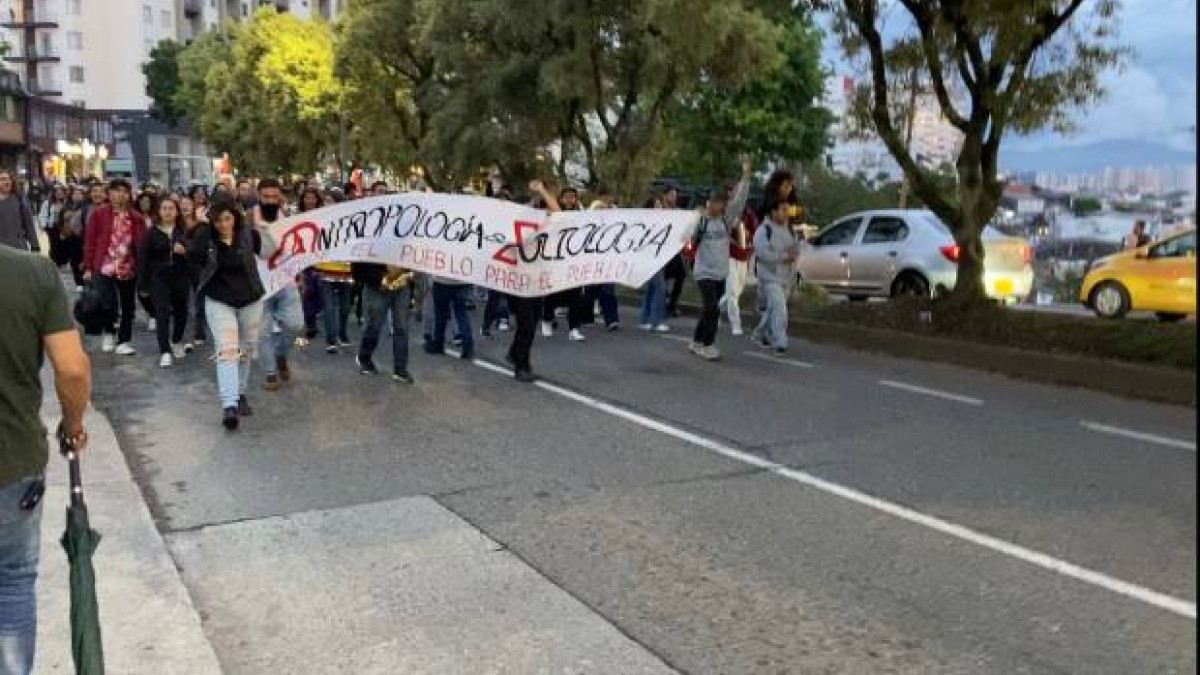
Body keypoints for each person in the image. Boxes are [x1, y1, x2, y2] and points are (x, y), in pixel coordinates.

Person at [0, 241, 92, 675]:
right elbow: (72, 369)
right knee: (12, 585)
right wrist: (73, 425)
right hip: (11, 460)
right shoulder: (33, 273)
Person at [186, 200, 265, 430]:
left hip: (251, 299)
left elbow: (272, 252)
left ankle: (240, 393)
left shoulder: (249, 235)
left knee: (247, 348)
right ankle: (229, 405)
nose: (223, 225)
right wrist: (201, 226)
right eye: (218, 220)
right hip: (219, 301)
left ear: (235, 218)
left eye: (228, 219)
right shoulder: (206, 238)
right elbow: (194, 255)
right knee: (228, 350)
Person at [686, 156, 752, 361]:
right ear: (709, 202)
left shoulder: (725, 220)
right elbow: (685, 237)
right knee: (712, 309)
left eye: (722, 203)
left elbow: (739, 200)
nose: (720, 206)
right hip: (703, 272)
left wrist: (746, 175)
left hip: (719, 273)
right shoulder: (700, 221)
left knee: (708, 310)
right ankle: (708, 344)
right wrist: (695, 218)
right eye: (716, 202)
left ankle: (696, 341)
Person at [251, 179, 305, 391]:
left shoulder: (288, 218)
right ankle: (270, 372)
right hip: (258, 287)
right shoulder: (247, 218)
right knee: (262, 333)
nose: (271, 201)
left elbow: (298, 249)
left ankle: (281, 354)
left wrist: (300, 275)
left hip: (285, 281)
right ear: (259, 196)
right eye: (267, 197)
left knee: (296, 325)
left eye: (275, 197)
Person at [83, 179, 148, 356]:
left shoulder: (136, 218)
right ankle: (109, 332)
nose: (120, 195)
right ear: (109, 194)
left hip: (128, 266)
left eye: (124, 191)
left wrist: (143, 267)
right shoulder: (99, 214)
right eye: (116, 191)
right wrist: (88, 266)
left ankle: (124, 340)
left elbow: (141, 245)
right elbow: (89, 241)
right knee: (107, 303)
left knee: (128, 306)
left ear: (129, 195)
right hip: (104, 266)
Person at [504, 180, 560, 383]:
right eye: (526, 207)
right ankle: (522, 366)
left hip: (536, 281)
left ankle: (514, 353)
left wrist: (542, 190)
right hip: (518, 282)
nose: (530, 210)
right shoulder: (507, 225)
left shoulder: (538, 223)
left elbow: (557, 212)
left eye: (531, 207)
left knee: (532, 321)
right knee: (526, 325)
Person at [136, 195, 191, 367]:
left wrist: (185, 251)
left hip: (180, 276)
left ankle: (176, 341)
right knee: (162, 313)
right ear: (158, 211)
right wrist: (142, 284)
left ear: (177, 212)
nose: (168, 212)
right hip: (159, 278)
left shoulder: (184, 231)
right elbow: (143, 259)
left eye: (171, 208)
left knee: (182, 313)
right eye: (164, 208)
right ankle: (165, 350)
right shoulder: (151, 233)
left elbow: (196, 255)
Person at [352, 262, 416, 383]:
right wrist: (381, 277)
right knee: (374, 325)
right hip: (376, 285)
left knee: (402, 327)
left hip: (402, 284)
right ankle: (364, 358)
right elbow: (358, 268)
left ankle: (400, 369)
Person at [751, 199, 801, 355]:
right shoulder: (763, 230)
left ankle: (761, 333)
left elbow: (795, 248)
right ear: (773, 211)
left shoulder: (789, 230)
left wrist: (795, 251)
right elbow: (763, 254)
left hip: (786, 277)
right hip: (769, 276)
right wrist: (784, 257)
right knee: (779, 308)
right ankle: (780, 342)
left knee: (773, 308)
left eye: (788, 210)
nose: (786, 214)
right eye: (783, 210)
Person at [540, 187, 588, 341]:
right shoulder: (553, 212)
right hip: (556, 259)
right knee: (554, 293)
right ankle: (546, 320)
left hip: (574, 260)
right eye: (566, 197)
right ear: (561, 199)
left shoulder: (582, 215)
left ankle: (574, 329)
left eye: (572, 197)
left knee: (575, 297)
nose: (569, 200)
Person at [719, 204, 759, 336]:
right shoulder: (725, 214)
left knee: (736, 291)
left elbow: (755, 233)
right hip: (729, 257)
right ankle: (736, 325)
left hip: (743, 257)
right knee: (732, 294)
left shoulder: (749, 214)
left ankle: (715, 310)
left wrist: (747, 235)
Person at [639, 196, 671, 333]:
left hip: (660, 258)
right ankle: (655, 321)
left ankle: (645, 319)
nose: (660, 207)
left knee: (652, 289)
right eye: (656, 205)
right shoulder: (646, 222)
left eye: (660, 205)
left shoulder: (662, 220)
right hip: (649, 259)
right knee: (660, 289)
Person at [296, 187, 325, 340]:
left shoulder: (323, 216)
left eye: (312, 198)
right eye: (307, 198)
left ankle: (315, 316)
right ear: (303, 200)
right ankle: (310, 325)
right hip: (302, 259)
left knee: (319, 293)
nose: (310, 201)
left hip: (319, 259)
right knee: (307, 293)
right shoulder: (297, 217)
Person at [181, 195, 209, 349]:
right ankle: (183, 334)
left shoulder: (201, 223)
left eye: (188, 204)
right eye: (182, 204)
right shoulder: (177, 223)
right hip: (179, 266)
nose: (185, 207)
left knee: (199, 299)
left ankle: (199, 331)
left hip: (197, 266)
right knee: (183, 301)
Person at [660, 186, 686, 317]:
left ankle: (672, 304)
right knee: (662, 278)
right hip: (662, 251)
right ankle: (662, 303)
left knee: (681, 275)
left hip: (674, 251)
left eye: (675, 195)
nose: (674, 198)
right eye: (671, 195)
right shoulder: (659, 210)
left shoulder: (677, 211)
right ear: (664, 196)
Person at [56, 186, 89, 289]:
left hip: (82, 237)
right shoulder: (66, 206)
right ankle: (78, 282)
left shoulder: (86, 207)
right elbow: (60, 220)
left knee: (83, 259)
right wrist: (61, 231)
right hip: (70, 237)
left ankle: (85, 280)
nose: (77, 196)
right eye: (75, 194)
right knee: (74, 260)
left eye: (79, 194)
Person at [0, 170, 39, 252]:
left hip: (19, 249)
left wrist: (35, 245)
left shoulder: (20, 199)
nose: (7, 182)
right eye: (3, 179)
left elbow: (29, 225)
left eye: (9, 179)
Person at [38, 183, 66, 263]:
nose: (59, 194)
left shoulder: (66, 203)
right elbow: (42, 214)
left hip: (62, 228)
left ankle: (61, 260)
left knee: (62, 245)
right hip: (51, 227)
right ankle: (54, 261)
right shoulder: (48, 203)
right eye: (57, 192)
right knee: (53, 245)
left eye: (61, 192)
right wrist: (44, 225)